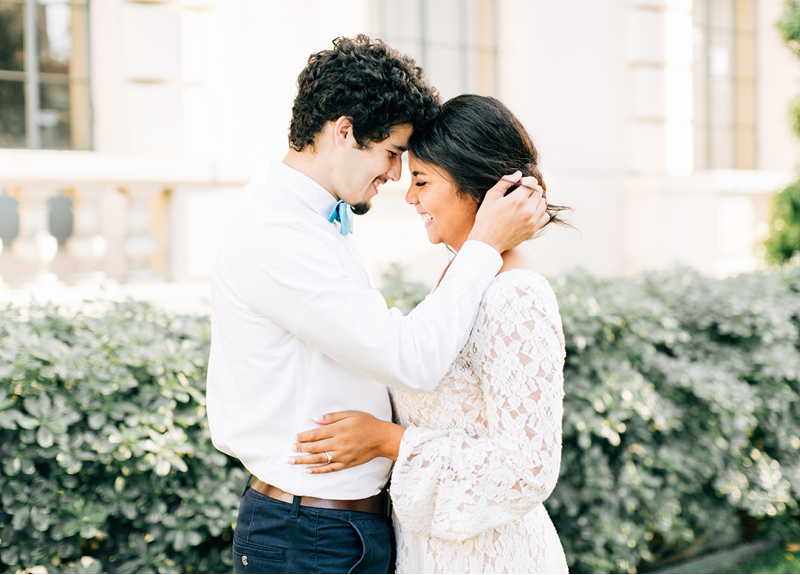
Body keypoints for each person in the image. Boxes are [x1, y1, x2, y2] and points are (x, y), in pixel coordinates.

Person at [205, 37, 551, 574]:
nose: (395, 179)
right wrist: (483, 245)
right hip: (310, 533)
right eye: (392, 154)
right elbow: (409, 358)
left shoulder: (320, 227)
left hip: (351, 529)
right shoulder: (278, 237)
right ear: (343, 132)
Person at [291, 94, 570, 573]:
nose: (410, 196)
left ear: (476, 186)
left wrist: (389, 441)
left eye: (422, 180)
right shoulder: (462, 277)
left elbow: (528, 470)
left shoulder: (515, 296)